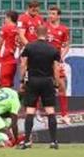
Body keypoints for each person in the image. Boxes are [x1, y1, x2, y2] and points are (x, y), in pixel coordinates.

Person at [18, 22, 63, 150]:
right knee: (50, 111)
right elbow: (56, 68)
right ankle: (54, 141)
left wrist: (22, 80)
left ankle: (27, 141)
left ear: (36, 33)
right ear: (47, 34)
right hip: (47, 81)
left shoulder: (29, 47)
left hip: (33, 80)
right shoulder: (53, 49)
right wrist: (57, 82)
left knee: (30, 111)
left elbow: (23, 65)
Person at [44, 6, 72, 123]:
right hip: (44, 60)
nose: (51, 16)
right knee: (43, 87)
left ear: (58, 16)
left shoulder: (64, 29)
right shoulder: (44, 27)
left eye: (53, 14)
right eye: (50, 13)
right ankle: (44, 115)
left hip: (56, 61)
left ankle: (65, 115)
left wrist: (61, 56)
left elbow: (66, 46)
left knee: (61, 86)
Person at [0, 10, 21, 88]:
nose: (5, 20)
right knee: (9, 85)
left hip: (4, 60)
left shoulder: (6, 28)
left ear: (9, 18)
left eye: (5, 18)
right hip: (13, 61)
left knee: (1, 86)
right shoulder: (18, 29)